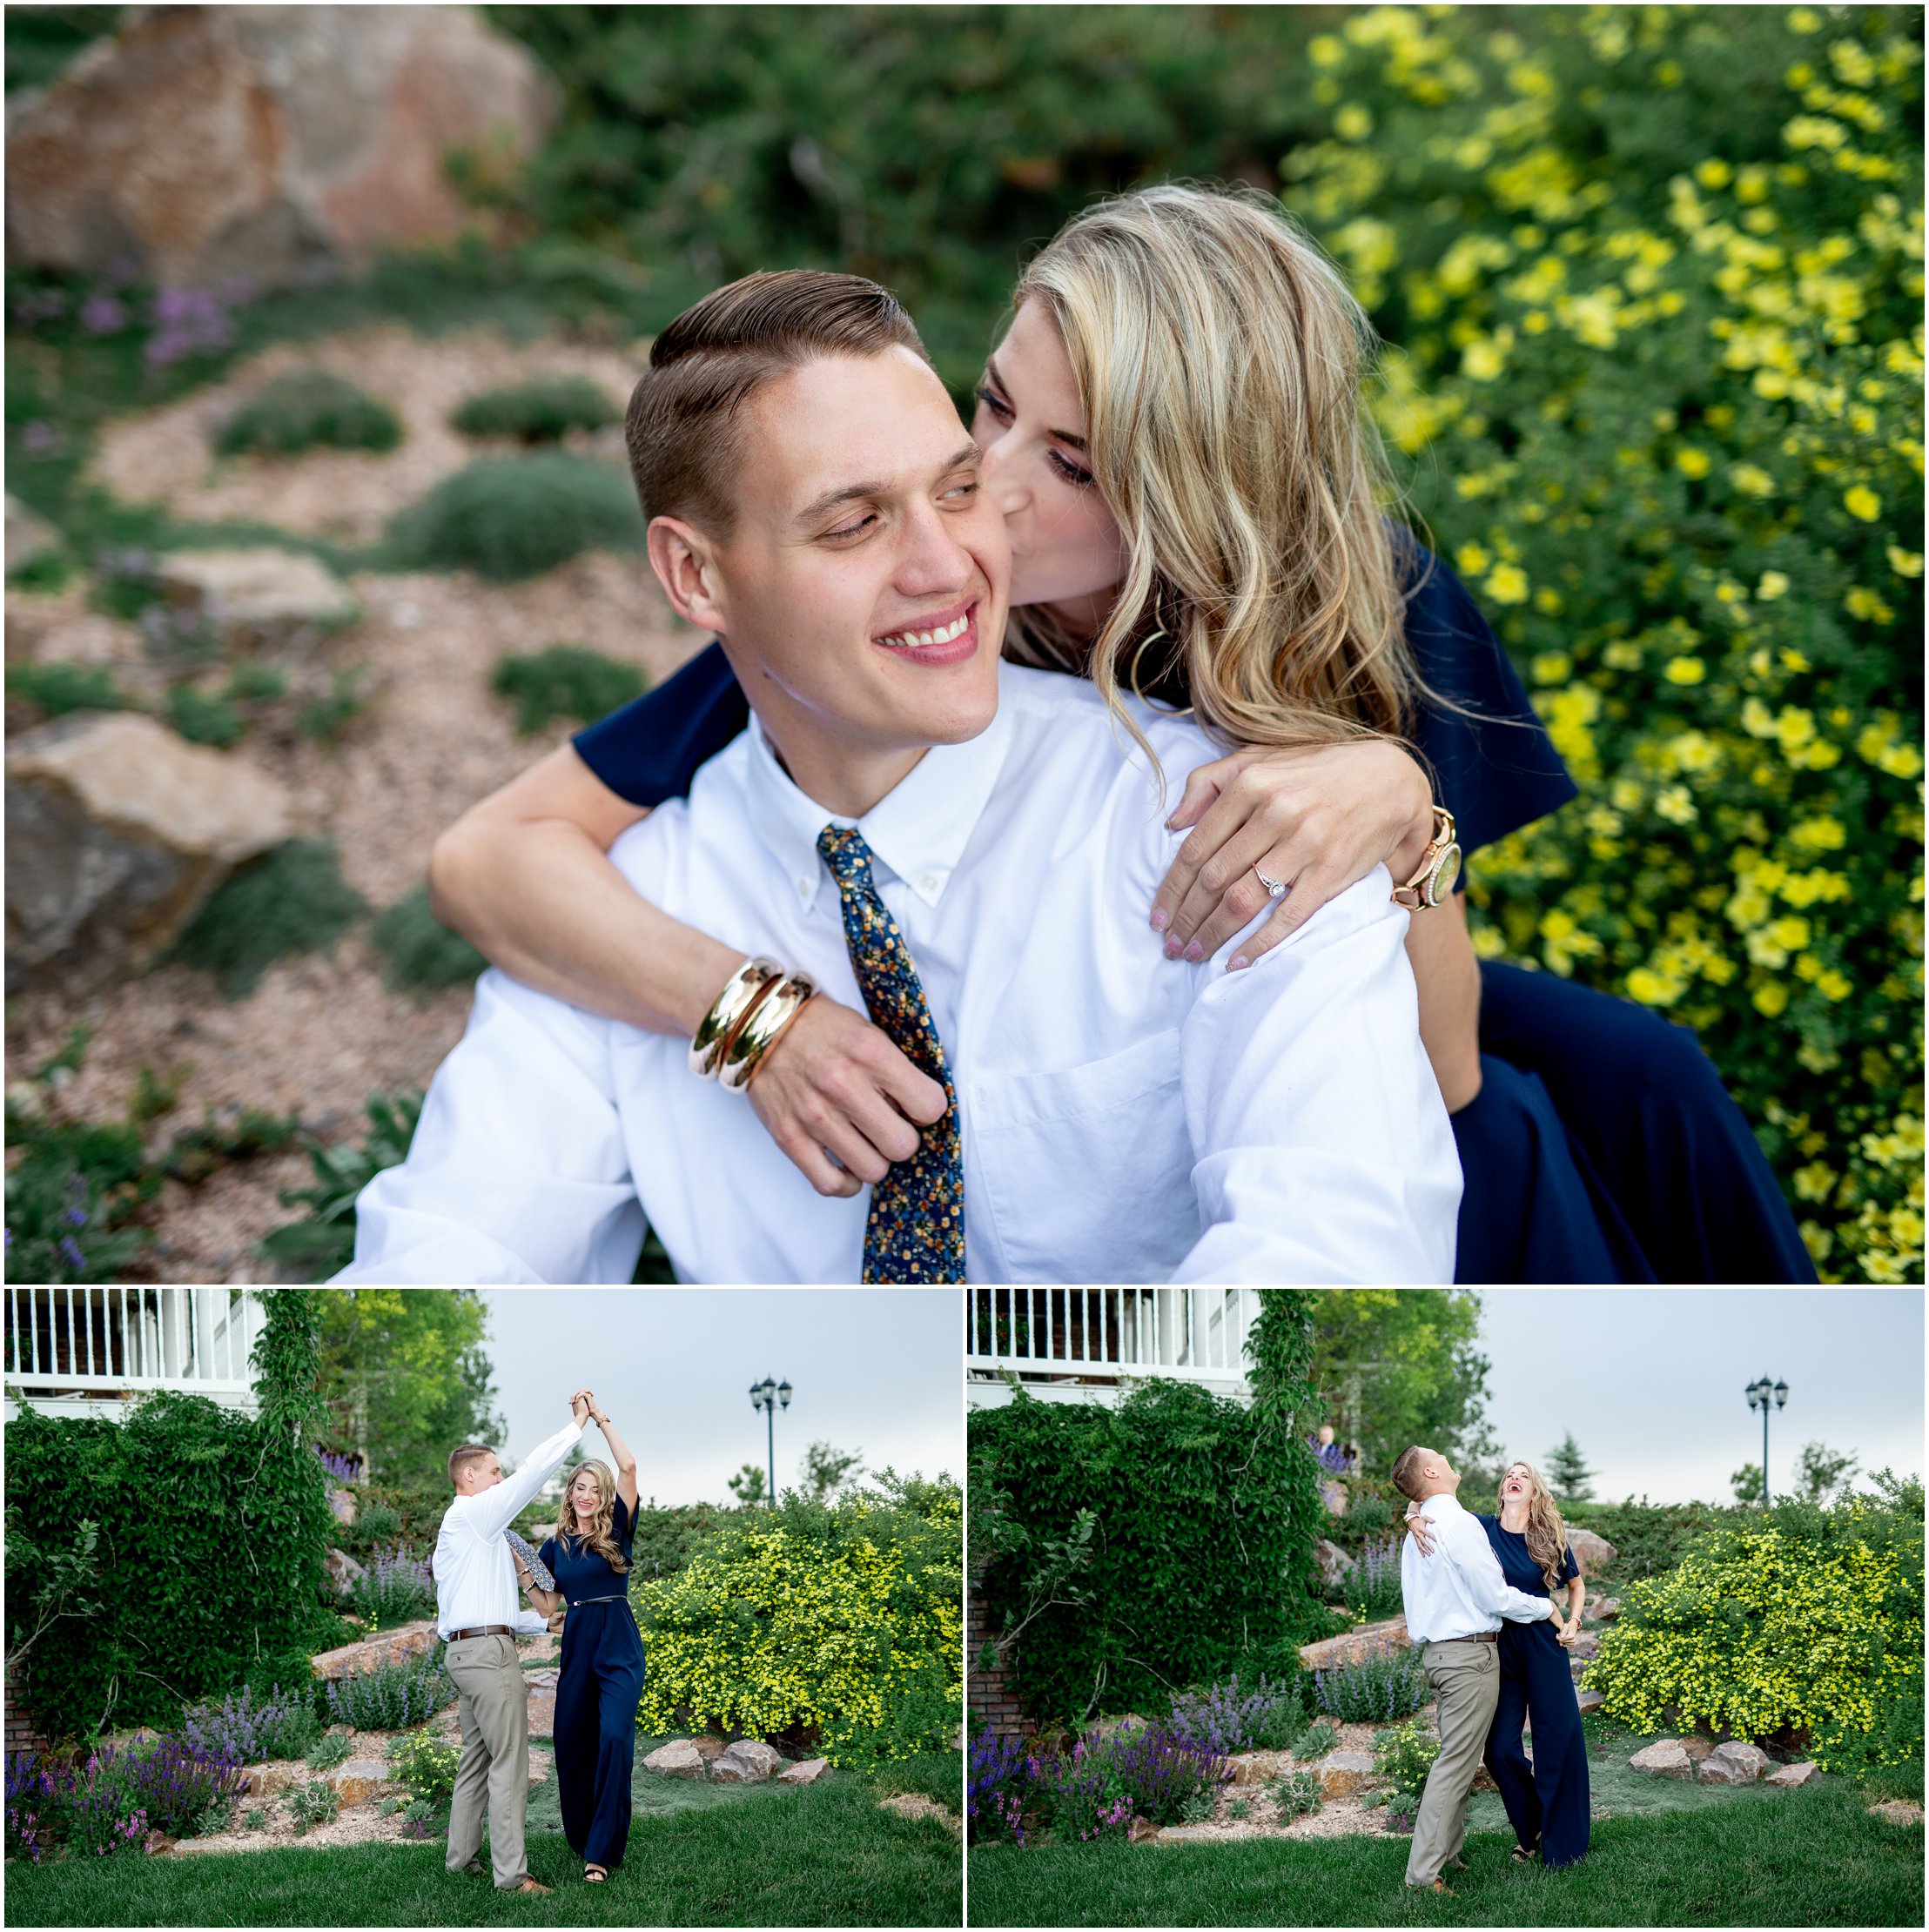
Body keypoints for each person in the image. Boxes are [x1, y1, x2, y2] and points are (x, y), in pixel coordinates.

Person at [429, 183, 1816, 1286]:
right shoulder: (874, 633)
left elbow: (1436, 1060)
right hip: (1213, 969)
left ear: (1203, 491)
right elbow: (491, 862)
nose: (993, 494)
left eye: (1074, 462)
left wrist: (1400, 800)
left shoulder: (1361, 590)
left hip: (1357, 968)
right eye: (993, 408)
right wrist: (753, 1015)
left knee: (1629, 1077)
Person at [335, 268, 1459, 1284]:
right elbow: (453, 1254)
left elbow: (1338, 1251)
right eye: (854, 523)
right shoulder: (618, 920)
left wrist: (1405, 801)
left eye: (956, 489)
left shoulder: (1222, 825)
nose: (952, 564)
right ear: (696, 575)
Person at [1390, 1443, 1570, 1895]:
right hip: (1469, 1657)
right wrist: (1545, 1607)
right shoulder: (1457, 1524)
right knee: (1456, 1764)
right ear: (1432, 1472)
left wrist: (1411, 1511)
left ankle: (1448, 1854)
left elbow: (1416, 1497)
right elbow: (1495, 1598)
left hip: (1440, 1656)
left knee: (1459, 1756)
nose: (1450, 1459)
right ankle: (1422, 1874)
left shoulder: (1422, 1528)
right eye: (1440, 1457)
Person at [435, 1391, 595, 1897]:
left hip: (465, 1653)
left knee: (476, 1761)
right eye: (493, 1472)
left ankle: (461, 1861)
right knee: (509, 1766)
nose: (501, 1480)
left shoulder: (463, 1532)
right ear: (470, 1479)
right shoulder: (474, 1515)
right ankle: (511, 1876)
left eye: (499, 1473)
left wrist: (537, 1625)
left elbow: (476, 1610)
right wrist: (576, 1427)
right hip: (489, 1660)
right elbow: (530, 1476)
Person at [515, 1402, 643, 1884]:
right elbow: (549, 1608)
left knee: (613, 1738)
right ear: (570, 1493)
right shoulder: (555, 1544)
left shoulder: (619, 1530)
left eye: (595, 1489)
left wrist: (597, 1420)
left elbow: (629, 1466)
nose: (587, 1495)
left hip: (619, 1646)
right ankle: (584, 1835)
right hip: (578, 1648)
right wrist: (524, 1567)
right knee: (571, 1746)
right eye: (580, 1487)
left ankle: (601, 1854)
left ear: (605, 1495)